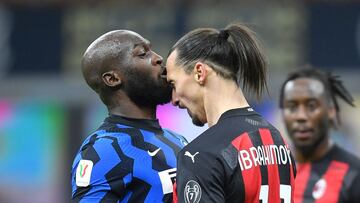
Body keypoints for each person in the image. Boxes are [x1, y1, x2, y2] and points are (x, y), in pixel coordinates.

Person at [166, 23, 296, 203]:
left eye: (173, 84)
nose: (174, 99)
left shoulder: (201, 155)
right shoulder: (277, 140)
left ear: (199, 73)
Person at [71, 30, 187, 202]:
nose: (158, 58)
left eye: (152, 50)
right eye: (142, 54)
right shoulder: (103, 150)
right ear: (112, 79)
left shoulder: (178, 141)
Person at [280, 67, 360, 202]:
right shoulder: (273, 170)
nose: (301, 116)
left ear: (331, 111)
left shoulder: (353, 174)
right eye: (292, 107)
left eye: (311, 106)